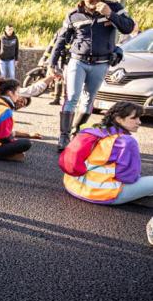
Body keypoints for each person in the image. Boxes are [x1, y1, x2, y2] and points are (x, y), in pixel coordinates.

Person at [48, 0, 135, 152]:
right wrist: (52, 63)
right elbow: (60, 40)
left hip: (101, 62)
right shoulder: (74, 14)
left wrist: (111, 14)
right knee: (72, 97)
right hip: (77, 61)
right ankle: (63, 136)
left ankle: (75, 130)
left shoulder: (114, 7)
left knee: (88, 100)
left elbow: (129, 27)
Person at [60, 102, 153, 245]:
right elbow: (128, 177)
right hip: (102, 194)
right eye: (134, 118)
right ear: (119, 119)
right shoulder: (127, 141)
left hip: (73, 186)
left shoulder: (92, 130)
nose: (139, 122)